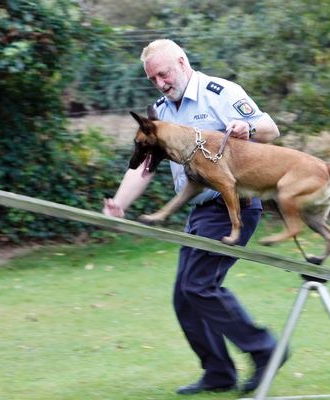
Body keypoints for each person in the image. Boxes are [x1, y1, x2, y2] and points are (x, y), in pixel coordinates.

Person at [103, 39, 283, 395]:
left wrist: (246, 130)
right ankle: (219, 373)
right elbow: (144, 167)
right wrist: (119, 203)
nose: (160, 83)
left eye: (163, 73)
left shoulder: (219, 92)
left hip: (234, 206)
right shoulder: (159, 112)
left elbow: (270, 129)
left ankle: (265, 350)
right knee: (185, 297)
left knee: (199, 286)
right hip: (201, 212)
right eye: (152, 78)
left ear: (182, 62)